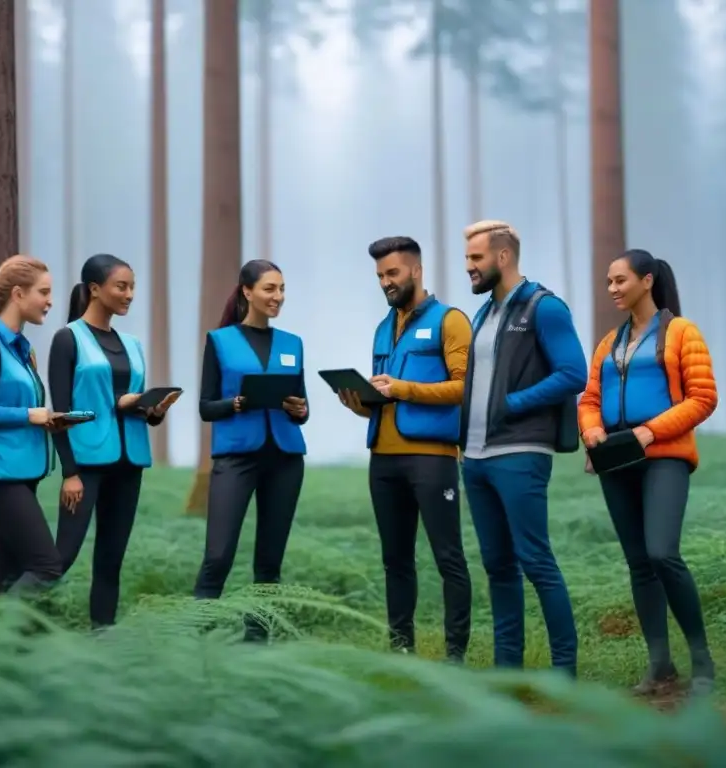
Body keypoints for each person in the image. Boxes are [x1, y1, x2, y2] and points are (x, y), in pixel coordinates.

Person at [578, 249, 718, 697]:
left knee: (662, 553)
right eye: (608, 282)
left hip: (665, 456)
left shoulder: (681, 332)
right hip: (615, 462)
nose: (613, 289)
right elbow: (588, 399)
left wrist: (649, 432)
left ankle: (702, 662)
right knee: (639, 564)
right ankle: (660, 666)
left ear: (647, 280)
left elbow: (703, 398)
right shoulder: (608, 343)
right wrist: (593, 432)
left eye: (620, 280)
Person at [459, 220, 587, 677]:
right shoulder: (484, 314)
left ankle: (564, 674)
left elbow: (574, 373)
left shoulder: (544, 307)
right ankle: (507, 671)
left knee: (536, 560)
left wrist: (513, 403)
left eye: (476, 258)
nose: (468, 266)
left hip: (519, 453)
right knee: (497, 565)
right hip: (473, 459)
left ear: (503, 256)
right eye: (467, 258)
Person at [337, 236, 473, 663]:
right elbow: (385, 399)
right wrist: (360, 402)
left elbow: (464, 387)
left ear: (416, 270)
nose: (386, 282)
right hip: (383, 459)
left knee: (448, 557)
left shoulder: (451, 321)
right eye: (380, 276)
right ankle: (401, 650)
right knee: (395, 561)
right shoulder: (383, 327)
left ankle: (455, 655)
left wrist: (402, 389)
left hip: (432, 459)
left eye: (392, 273)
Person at [48, 253, 179, 630]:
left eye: (132, 287)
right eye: (121, 286)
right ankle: (7, 621)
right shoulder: (68, 338)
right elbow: (62, 413)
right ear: (94, 289)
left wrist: (152, 409)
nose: (129, 294)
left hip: (128, 463)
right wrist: (69, 473)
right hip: (86, 466)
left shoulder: (133, 344)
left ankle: (101, 639)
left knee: (111, 559)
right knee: (62, 556)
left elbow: (133, 403)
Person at [193, 259, 309, 641]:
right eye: (269, 289)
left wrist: (301, 409)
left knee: (269, 562)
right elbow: (206, 406)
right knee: (218, 555)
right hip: (236, 457)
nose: (278, 297)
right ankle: (195, 635)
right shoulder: (220, 341)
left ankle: (257, 641)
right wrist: (238, 403)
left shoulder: (293, 344)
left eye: (282, 289)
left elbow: (301, 408)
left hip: (286, 457)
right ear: (247, 292)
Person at [0, 255, 67, 595]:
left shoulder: (21, 350)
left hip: (22, 469)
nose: (50, 301)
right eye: (43, 292)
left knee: (7, 575)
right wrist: (27, 415)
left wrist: (46, 419)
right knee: (46, 567)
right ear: (18, 295)